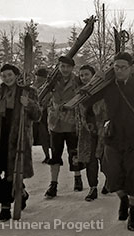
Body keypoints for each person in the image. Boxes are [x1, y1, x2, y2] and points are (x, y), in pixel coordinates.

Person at [81, 52, 134, 231]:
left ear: (130, 68)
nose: (120, 70)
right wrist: (91, 122)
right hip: (113, 138)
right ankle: (123, 199)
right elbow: (87, 103)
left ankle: (133, 214)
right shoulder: (108, 87)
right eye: (116, 67)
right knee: (112, 174)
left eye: (123, 67)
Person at [0, 64, 41, 221]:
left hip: (17, 138)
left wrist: (28, 104)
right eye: (4, 76)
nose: (7, 78)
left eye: (10, 75)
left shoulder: (28, 92)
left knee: (12, 172)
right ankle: (17, 196)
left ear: (16, 75)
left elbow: (38, 115)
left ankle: (5, 207)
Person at [45, 56, 84, 198]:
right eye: (62, 66)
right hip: (56, 123)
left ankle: (77, 177)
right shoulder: (53, 81)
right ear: (59, 67)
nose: (65, 69)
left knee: (74, 153)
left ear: (72, 68)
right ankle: (53, 184)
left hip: (72, 122)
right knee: (55, 155)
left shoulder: (77, 81)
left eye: (67, 67)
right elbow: (45, 98)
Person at [77, 64, 109, 201]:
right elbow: (78, 114)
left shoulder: (102, 91)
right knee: (90, 160)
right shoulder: (79, 94)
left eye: (87, 74)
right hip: (87, 130)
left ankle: (109, 181)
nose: (84, 78)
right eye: (81, 75)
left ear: (93, 75)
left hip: (102, 129)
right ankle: (93, 187)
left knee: (105, 158)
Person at [33, 68, 51, 164]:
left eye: (40, 77)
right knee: (41, 135)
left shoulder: (47, 87)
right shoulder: (35, 86)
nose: (38, 78)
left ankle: (48, 156)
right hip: (36, 113)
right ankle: (47, 156)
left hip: (45, 114)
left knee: (45, 135)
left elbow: (47, 100)